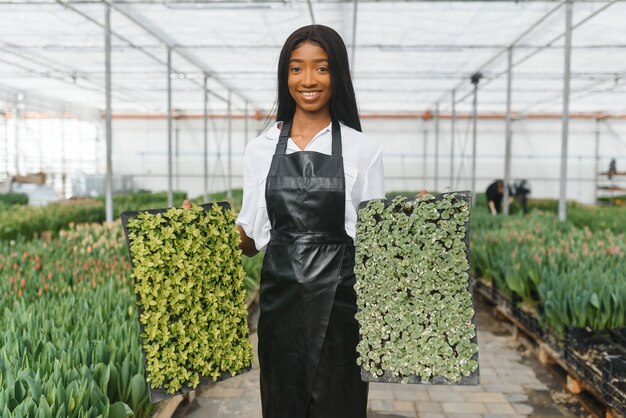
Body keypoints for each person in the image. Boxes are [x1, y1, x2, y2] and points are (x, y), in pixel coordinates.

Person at [235, 25, 384, 418]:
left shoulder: (362, 149)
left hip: (341, 305)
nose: (308, 80)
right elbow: (250, 239)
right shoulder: (260, 149)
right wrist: (200, 226)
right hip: (280, 305)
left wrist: (413, 222)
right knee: (283, 402)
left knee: (339, 403)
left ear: (337, 75)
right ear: (285, 77)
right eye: (297, 68)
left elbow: (376, 240)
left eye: (321, 68)